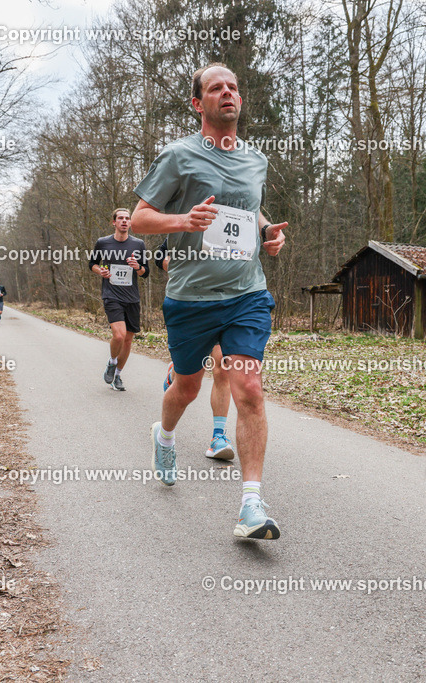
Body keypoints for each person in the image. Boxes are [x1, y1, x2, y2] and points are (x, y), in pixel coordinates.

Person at [132, 63, 288, 540]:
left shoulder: (256, 159)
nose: (228, 93)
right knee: (186, 388)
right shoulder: (178, 156)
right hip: (191, 297)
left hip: (246, 293)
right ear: (198, 103)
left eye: (233, 87)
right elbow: (140, 219)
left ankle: (251, 506)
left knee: (250, 388)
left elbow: (250, 208)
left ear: (240, 99)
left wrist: (267, 232)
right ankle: (164, 435)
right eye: (216, 87)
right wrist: (183, 222)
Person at [157, 237, 235, 460]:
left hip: (228, 305)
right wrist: (184, 272)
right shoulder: (192, 223)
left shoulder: (235, 224)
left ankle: (218, 437)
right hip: (192, 306)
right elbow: (160, 255)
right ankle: (176, 372)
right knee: (188, 380)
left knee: (223, 366)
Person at [88, 208, 150, 391]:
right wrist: (101, 271)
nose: (124, 221)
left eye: (127, 218)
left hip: (132, 297)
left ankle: (117, 376)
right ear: (113, 222)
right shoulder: (103, 243)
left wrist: (137, 266)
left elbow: (145, 272)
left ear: (130, 222)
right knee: (119, 335)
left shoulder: (138, 244)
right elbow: (92, 264)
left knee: (128, 340)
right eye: (120, 218)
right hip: (112, 295)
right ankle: (112, 362)